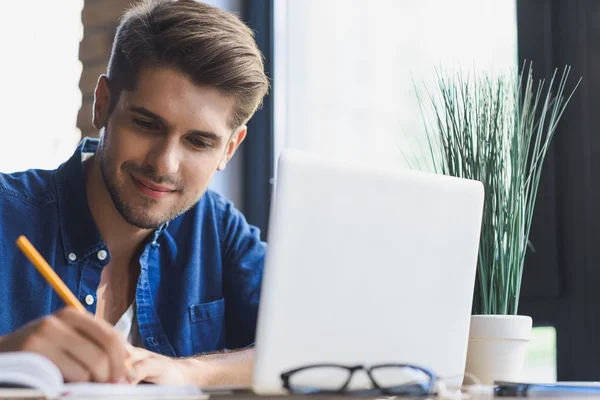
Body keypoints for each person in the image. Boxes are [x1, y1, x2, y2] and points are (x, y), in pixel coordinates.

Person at [0, 0, 269, 386]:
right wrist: (8, 357)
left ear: (229, 148)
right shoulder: (5, 213)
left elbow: (312, 344)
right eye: (146, 124)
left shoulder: (216, 227)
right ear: (103, 104)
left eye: (198, 143)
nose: (164, 165)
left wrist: (187, 371)